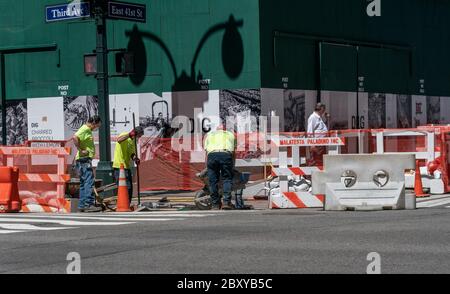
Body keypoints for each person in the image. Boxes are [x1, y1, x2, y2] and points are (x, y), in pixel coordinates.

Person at [73, 115, 102, 213]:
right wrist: (80, 150)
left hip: (82, 160)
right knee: (89, 181)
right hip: (84, 160)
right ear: (93, 123)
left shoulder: (86, 130)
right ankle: (88, 204)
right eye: (97, 126)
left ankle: (82, 205)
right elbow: (75, 137)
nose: (96, 128)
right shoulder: (85, 129)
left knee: (83, 182)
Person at [204, 124, 236, 210]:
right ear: (224, 130)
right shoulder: (230, 134)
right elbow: (233, 152)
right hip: (225, 154)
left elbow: (207, 152)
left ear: (216, 130)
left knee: (213, 181)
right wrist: (233, 165)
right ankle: (226, 202)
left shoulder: (210, 135)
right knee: (227, 179)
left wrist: (207, 166)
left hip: (212, 156)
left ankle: (215, 204)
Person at [113, 126, 144, 203]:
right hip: (119, 166)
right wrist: (129, 134)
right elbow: (119, 140)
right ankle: (122, 203)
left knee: (129, 187)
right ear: (135, 133)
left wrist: (135, 158)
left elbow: (131, 153)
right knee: (123, 187)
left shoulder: (133, 141)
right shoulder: (125, 135)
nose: (139, 138)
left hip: (126, 166)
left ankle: (127, 204)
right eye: (139, 136)